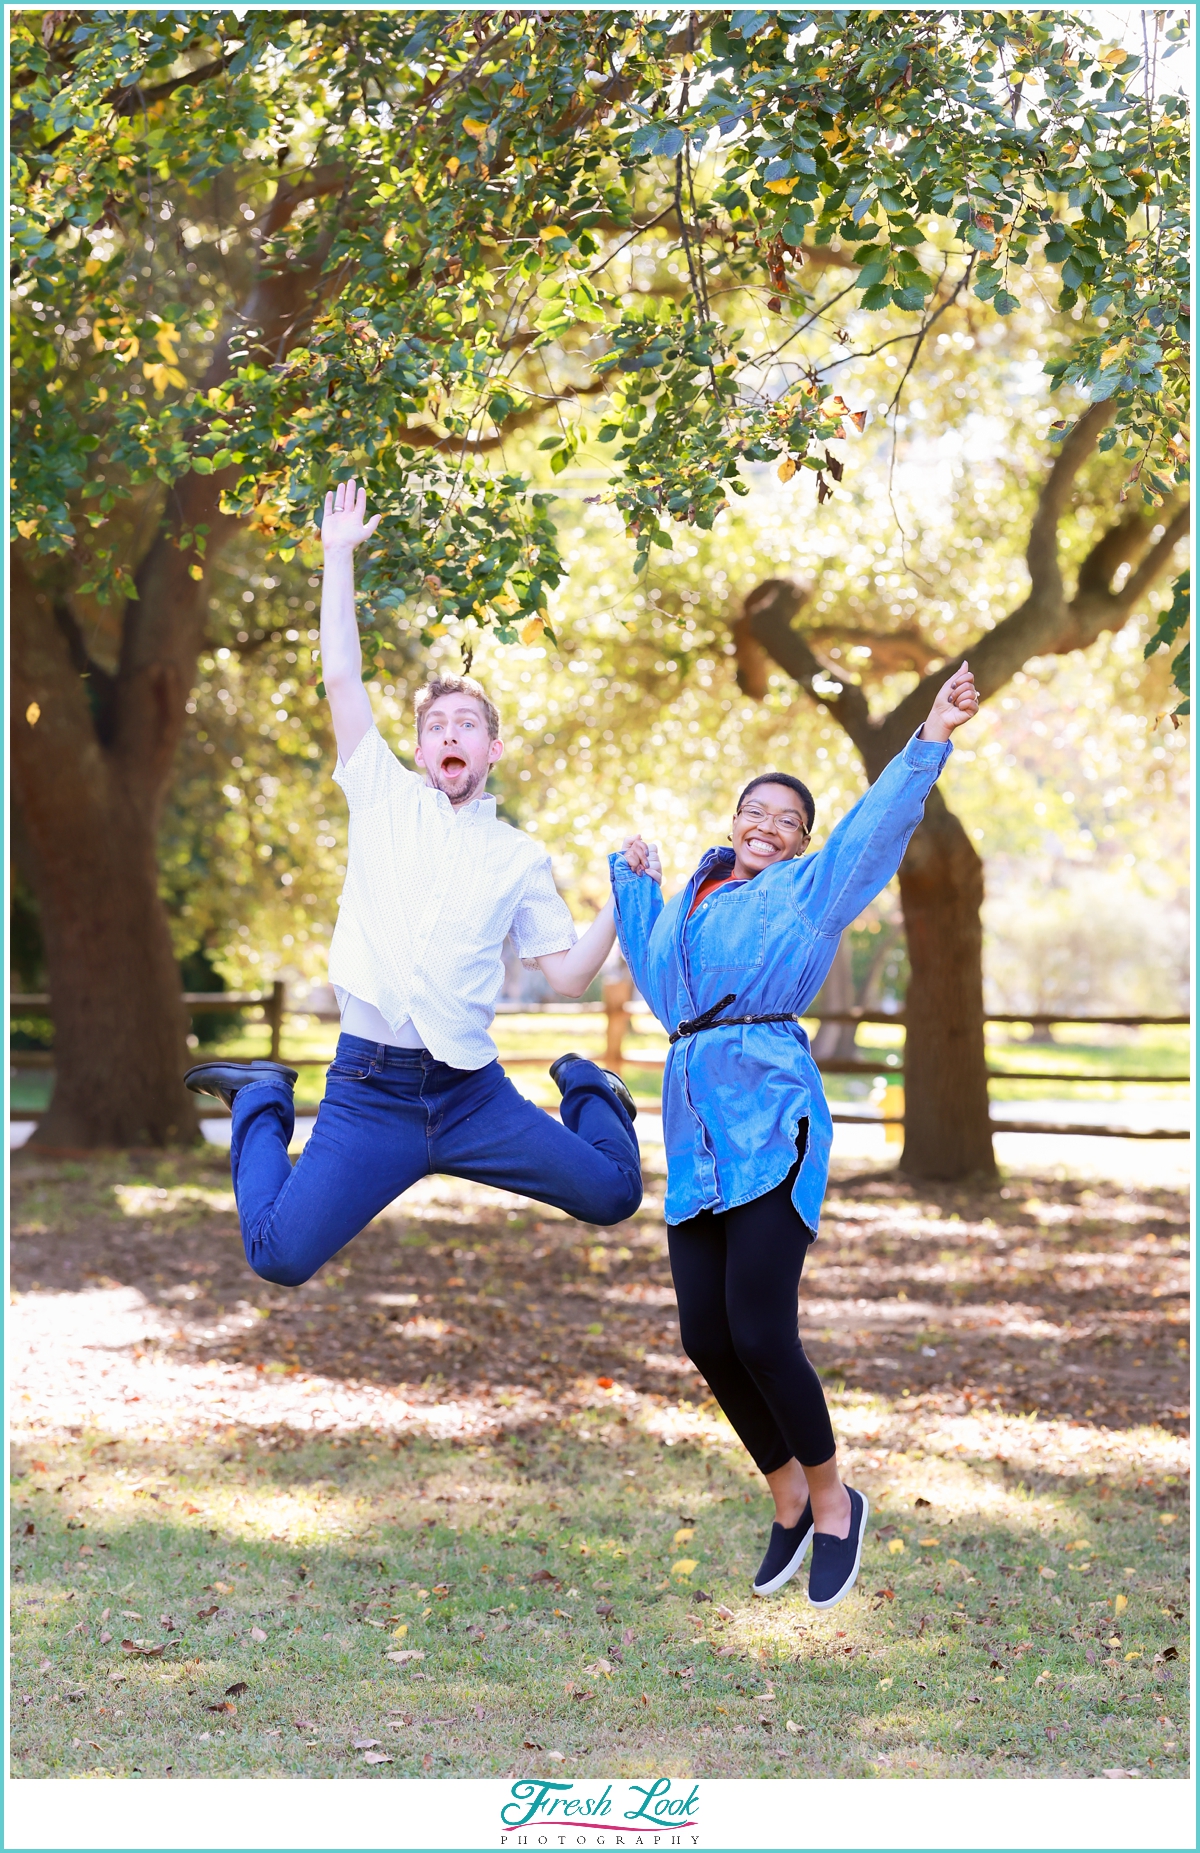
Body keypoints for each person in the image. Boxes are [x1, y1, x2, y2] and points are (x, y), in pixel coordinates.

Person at [185, 477, 642, 1288]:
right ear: (422, 750)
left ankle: (589, 1086)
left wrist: (619, 896)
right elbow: (341, 678)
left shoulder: (519, 856)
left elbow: (570, 976)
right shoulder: (381, 793)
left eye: (468, 724)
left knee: (612, 1192)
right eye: (436, 727)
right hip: (369, 1093)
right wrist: (336, 558)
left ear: (492, 750)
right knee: (279, 1254)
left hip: (472, 1095)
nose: (450, 733)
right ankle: (261, 1097)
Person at [610, 665, 980, 1609]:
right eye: (756, 812)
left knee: (763, 1327)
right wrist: (634, 879)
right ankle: (785, 1499)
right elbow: (659, 993)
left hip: (773, 1117)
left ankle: (835, 1502)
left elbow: (871, 830)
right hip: (694, 1132)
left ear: (803, 841)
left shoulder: (811, 892)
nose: (768, 826)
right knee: (705, 1334)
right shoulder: (692, 902)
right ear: (733, 818)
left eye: (787, 820)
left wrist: (930, 735)